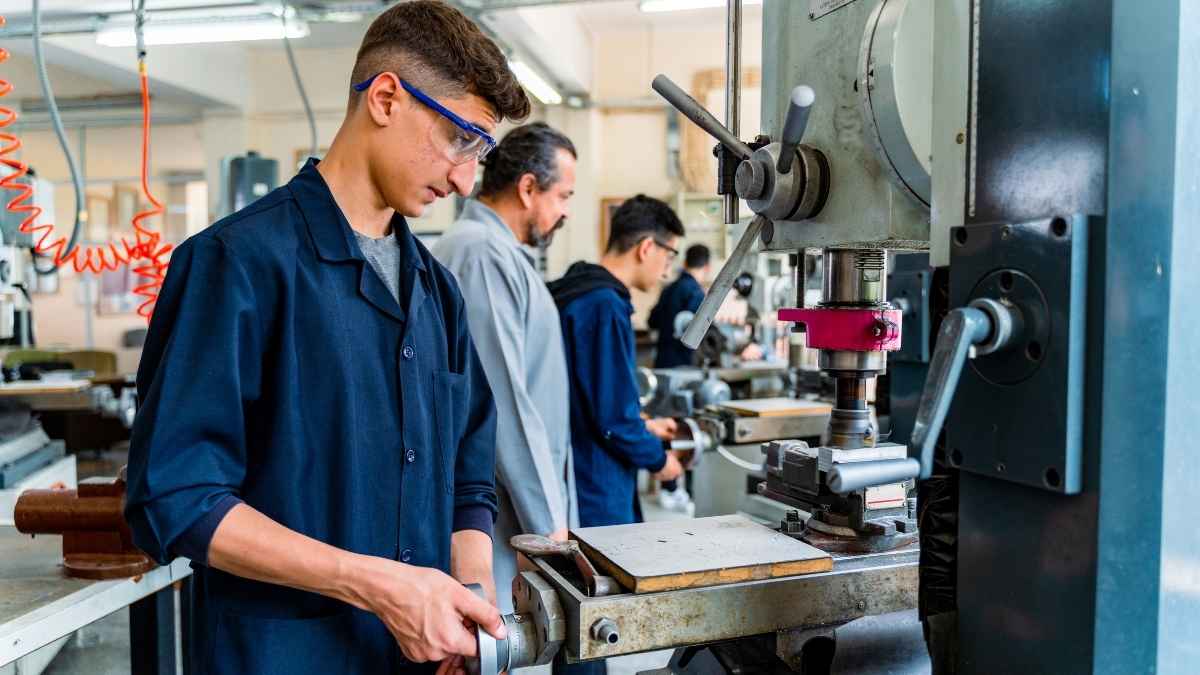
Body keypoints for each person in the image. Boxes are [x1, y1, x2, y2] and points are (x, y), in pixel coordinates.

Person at [123, 3, 531, 673]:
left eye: (479, 152)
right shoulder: (236, 264)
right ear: (387, 98)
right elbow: (175, 497)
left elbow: (467, 477)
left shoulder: (438, 294)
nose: (464, 178)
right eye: (460, 138)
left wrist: (469, 601)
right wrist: (378, 584)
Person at [432, 122, 578, 613]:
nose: (565, 211)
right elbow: (500, 401)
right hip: (496, 514)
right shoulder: (479, 253)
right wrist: (546, 528)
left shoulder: (499, 253)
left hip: (511, 506)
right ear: (528, 188)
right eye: (563, 195)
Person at [549, 195, 687, 529]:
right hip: (596, 482)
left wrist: (646, 425)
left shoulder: (577, 290)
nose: (667, 271)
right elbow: (611, 419)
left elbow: (590, 395)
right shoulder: (604, 305)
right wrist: (659, 461)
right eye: (668, 256)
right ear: (646, 248)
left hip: (572, 466)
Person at [648, 243, 712, 369]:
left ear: (685, 264)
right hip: (684, 364)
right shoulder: (696, 293)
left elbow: (652, 321)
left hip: (661, 362)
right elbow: (701, 333)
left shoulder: (668, 289)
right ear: (707, 268)